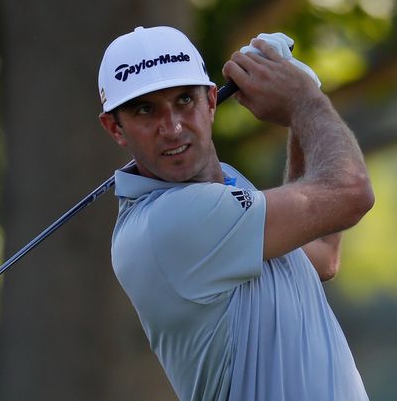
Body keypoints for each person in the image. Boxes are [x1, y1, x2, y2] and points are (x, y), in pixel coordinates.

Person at [97, 26, 374, 401]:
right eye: (145, 110)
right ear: (115, 127)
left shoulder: (226, 188)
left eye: (184, 100)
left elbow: (321, 253)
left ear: (211, 102)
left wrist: (300, 114)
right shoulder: (171, 221)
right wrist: (306, 101)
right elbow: (350, 192)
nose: (173, 127)